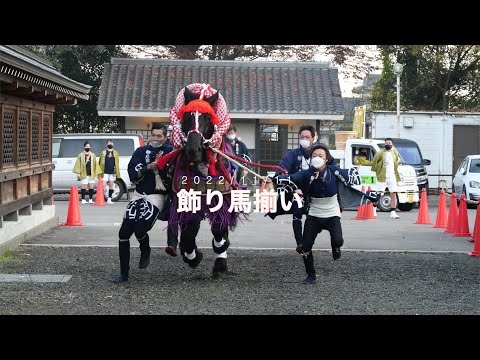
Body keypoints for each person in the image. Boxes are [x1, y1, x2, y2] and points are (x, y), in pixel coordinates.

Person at [268, 143, 361, 284]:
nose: (317, 158)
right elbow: (293, 178)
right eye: (314, 156)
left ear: (326, 159)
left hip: (332, 213)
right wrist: (274, 179)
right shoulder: (306, 174)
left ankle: (335, 247)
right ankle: (310, 275)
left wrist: (372, 196)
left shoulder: (334, 171)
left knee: (338, 240)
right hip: (314, 214)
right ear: (311, 158)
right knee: (305, 247)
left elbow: (353, 177)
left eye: (320, 156)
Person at [113, 124, 175, 283]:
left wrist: (161, 167)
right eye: (153, 135)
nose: (155, 139)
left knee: (141, 228)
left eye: (159, 136)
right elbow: (133, 173)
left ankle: (145, 249)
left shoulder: (171, 152)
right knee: (124, 231)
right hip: (139, 194)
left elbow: (175, 174)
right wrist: (148, 167)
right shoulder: (141, 151)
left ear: (165, 137)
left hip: (157, 196)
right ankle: (124, 274)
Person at [276, 125, 316, 254]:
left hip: (315, 192)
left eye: (307, 137)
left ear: (313, 138)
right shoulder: (293, 154)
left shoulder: (319, 153)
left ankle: (308, 242)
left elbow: (331, 168)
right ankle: (300, 243)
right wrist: (280, 178)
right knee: (297, 213)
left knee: (314, 218)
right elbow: (281, 170)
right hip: (297, 192)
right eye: (302, 137)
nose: (304, 139)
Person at [371, 138, 401, 219]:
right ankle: (373, 210)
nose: (388, 144)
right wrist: (379, 171)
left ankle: (393, 212)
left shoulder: (395, 152)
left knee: (393, 193)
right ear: (384, 144)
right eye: (387, 143)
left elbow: (396, 163)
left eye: (390, 143)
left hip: (392, 176)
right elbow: (374, 163)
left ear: (392, 144)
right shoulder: (380, 153)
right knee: (379, 194)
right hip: (382, 176)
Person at [98, 139, 120, 204]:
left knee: (111, 185)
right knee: (103, 185)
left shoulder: (115, 153)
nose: (110, 144)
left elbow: (117, 162)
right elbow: (100, 162)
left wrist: (116, 170)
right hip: (104, 171)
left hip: (112, 172)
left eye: (111, 143)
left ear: (113, 144)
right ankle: (101, 198)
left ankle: (109, 199)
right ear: (106, 144)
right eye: (109, 143)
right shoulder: (103, 152)